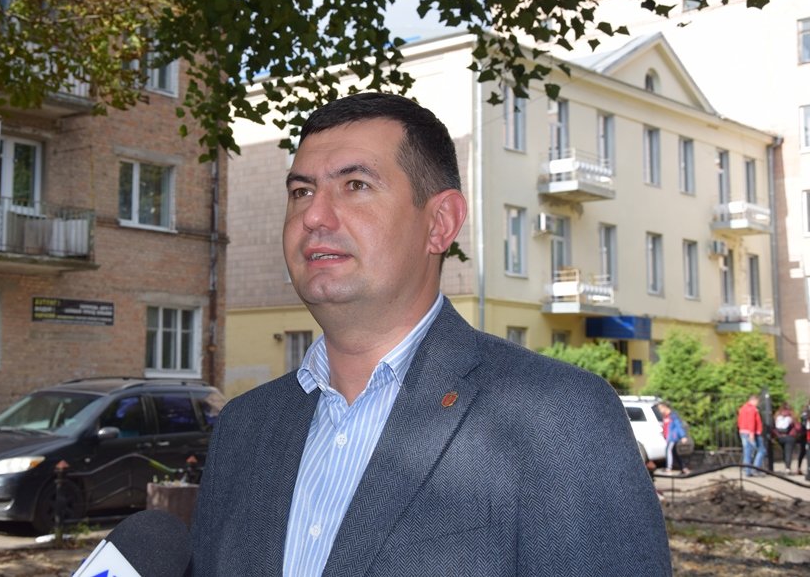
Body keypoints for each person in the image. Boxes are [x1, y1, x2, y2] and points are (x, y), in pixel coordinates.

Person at [190, 93, 671, 575]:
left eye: (355, 185)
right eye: (301, 191)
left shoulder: (556, 418)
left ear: (440, 224)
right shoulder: (243, 427)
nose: (313, 216)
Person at [738, 394, 767, 476]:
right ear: (754, 400)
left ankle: (747, 470)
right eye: (757, 401)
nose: (758, 403)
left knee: (747, 451)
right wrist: (751, 433)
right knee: (761, 450)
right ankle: (755, 468)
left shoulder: (743, 408)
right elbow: (751, 421)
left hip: (743, 431)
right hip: (752, 432)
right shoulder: (752, 409)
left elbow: (739, 420)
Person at [658, 402, 691, 475]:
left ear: (665, 407)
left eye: (660, 409)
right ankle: (684, 468)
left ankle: (668, 468)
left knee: (668, 450)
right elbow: (666, 426)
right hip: (669, 437)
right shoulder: (665, 416)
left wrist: (683, 436)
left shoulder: (673, 415)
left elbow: (678, 426)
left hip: (673, 437)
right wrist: (663, 433)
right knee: (674, 453)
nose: (659, 411)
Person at [773, 402, 799, 475]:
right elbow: (798, 427)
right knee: (788, 452)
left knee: (784, 452)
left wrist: (778, 435)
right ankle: (787, 468)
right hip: (790, 437)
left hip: (780, 437)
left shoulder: (777, 416)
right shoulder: (792, 416)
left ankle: (786, 466)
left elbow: (773, 428)